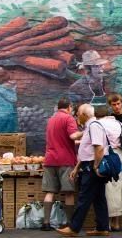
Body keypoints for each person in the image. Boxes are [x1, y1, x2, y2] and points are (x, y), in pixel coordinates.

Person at [57, 104, 110, 237]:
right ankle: (102, 227)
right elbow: (87, 150)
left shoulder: (94, 126)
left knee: (84, 197)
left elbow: (99, 149)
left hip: (92, 167)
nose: (77, 116)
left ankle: (74, 228)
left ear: (84, 115)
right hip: (89, 165)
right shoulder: (89, 127)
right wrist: (77, 167)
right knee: (99, 198)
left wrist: (96, 166)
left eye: (78, 114)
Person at [41, 97, 83, 231]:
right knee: (69, 193)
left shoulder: (51, 119)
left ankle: (46, 223)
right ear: (69, 107)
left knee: (50, 191)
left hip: (50, 159)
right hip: (65, 160)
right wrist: (87, 132)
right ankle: (70, 223)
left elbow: (62, 139)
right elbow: (73, 136)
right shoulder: (68, 118)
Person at [95, 105, 122, 231]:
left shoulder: (98, 124)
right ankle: (116, 223)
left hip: (107, 157)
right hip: (121, 156)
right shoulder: (119, 124)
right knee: (120, 187)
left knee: (109, 190)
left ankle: (106, 222)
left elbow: (98, 146)